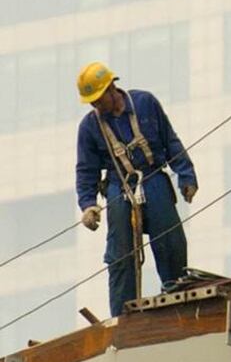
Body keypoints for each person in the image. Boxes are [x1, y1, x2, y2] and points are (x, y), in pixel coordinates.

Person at [75, 62, 198, 317]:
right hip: (120, 187)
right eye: (92, 102)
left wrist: (186, 175)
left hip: (153, 178)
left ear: (112, 88)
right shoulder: (90, 127)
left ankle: (177, 303)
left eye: (98, 100)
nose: (95, 106)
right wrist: (88, 205)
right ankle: (124, 316)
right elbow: (86, 170)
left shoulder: (145, 103)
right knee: (120, 256)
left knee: (170, 242)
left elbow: (170, 140)